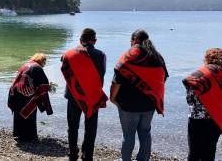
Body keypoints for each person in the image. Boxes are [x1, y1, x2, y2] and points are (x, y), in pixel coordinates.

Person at [110, 29, 169, 161]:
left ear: (134, 40)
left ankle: (125, 159)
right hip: (150, 103)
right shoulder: (157, 56)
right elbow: (163, 78)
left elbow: (116, 81)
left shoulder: (129, 56)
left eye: (131, 41)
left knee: (128, 135)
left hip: (128, 104)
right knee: (145, 132)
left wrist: (112, 98)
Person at [61, 28, 108, 161]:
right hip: (93, 96)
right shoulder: (101, 55)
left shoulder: (69, 54)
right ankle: (88, 156)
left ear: (80, 40)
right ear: (95, 41)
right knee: (90, 128)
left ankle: (72, 154)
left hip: (73, 95)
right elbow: (102, 73)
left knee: (72, 127)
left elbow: (66, 72)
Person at [183, 48, 222, 161]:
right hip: (216, 119)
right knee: (210, 150)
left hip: (197, 119)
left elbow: (190, 97)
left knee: (194, 152)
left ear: (207, 59)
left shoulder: (200, 74)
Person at [8, 53, 53, 142]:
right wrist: (49, 87)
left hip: (16, 92)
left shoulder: (26, 65)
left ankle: (18, 134)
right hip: (26, 95)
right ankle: (29, 137)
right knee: (29, 114)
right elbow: (42, 85)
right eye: (45, 62)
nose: (45, 64)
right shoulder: (37, 67)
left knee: (19, 114)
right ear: (42, 61)